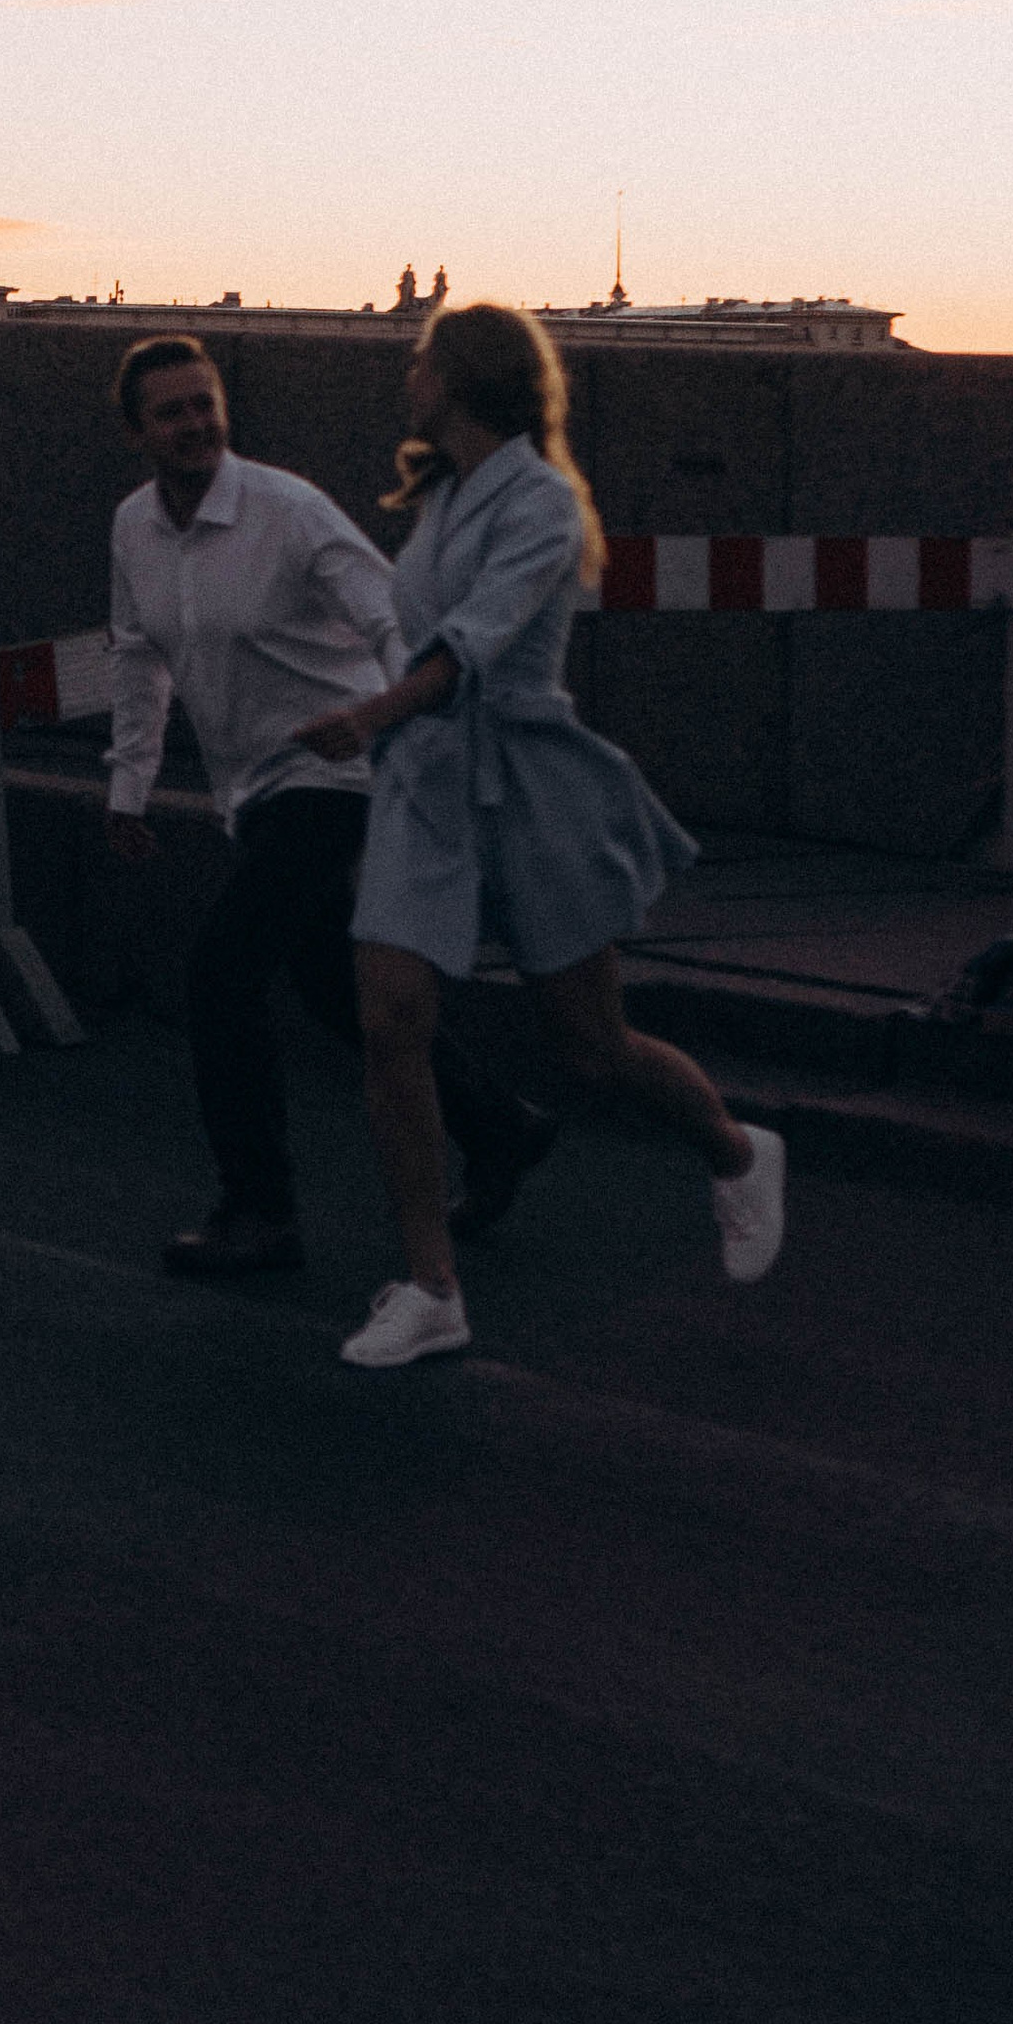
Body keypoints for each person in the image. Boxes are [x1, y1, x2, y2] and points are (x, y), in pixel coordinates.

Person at [295, 302, 786, 1369]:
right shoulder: (443, 490)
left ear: (464, 376)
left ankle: (734, 1151)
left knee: (591, 1046)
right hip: (429, 784)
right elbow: (407, 631)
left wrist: (366, 717)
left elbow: (466, 651)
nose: (409, 371)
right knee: (391, 1021)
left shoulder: (543, 504)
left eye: (424, 357)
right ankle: (432, 1288)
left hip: (521, 783)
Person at [106, 335, 558, 1280]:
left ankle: (260, 1213)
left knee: (221, 975)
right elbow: (139, 654)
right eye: (171, 412)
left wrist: (405, 729)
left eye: (206, 403)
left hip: (340, 772)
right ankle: (499, 1125)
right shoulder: (134, 531)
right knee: (326, 981)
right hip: (257, 789)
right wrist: (128, 785)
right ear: (136, 433)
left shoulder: (286, 510)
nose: (196, 425)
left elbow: (392, 616)